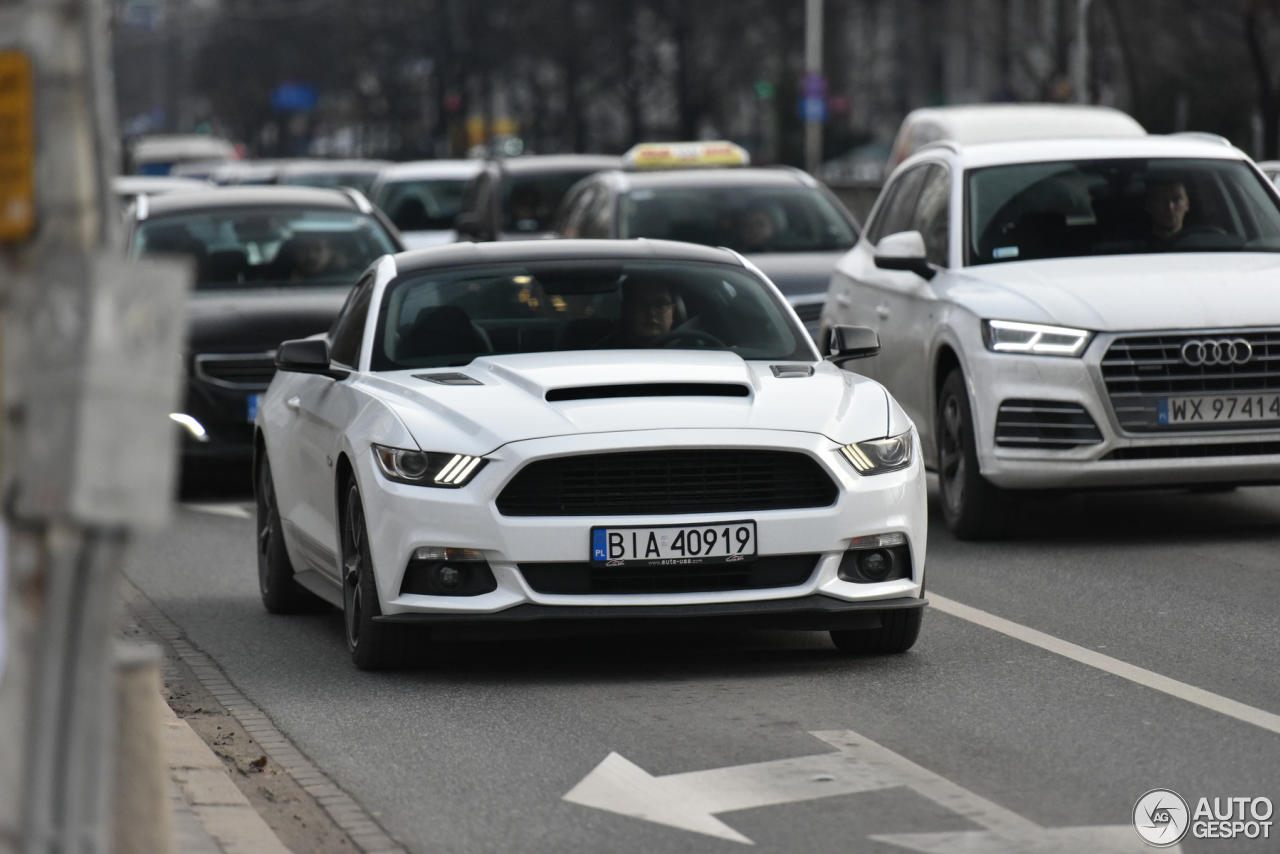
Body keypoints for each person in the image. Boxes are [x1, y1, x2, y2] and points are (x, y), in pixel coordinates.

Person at [600, 278, 676, 348]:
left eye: (660, 304)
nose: (651, 312)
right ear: (625, 310)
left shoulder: (685, 346)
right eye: (640, 304)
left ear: (672, 311)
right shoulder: (605, 351)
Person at [1144, 177, 1191, 244]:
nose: (1170, 207)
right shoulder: (1134, 248)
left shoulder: (1202, 246)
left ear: (1187, 204)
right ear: (1149, 205)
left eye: (1176, 199)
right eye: (1161, 200)